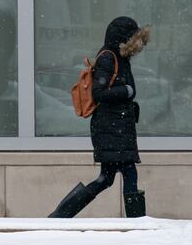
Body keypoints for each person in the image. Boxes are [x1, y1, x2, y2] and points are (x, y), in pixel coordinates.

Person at [49, 16, 151, 218]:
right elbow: (99, 93)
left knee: (106, 178)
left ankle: (61, 215)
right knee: (129, 172)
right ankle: (137, 222)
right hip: (111, 127)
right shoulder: (108, 57)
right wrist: (127, 91)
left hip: (116, 126)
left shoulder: (119, 57)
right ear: (124, 37)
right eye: (134, 37)